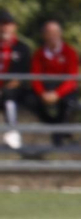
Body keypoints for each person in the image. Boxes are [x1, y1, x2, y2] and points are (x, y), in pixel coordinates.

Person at [29, 19, 81, 146]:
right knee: (30, 100)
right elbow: (34, 77)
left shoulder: (70, 52)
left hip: (63, 89)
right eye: (49, 32)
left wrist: (57, 94)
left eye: (55, 32)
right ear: (44, 35)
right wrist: (42, 93)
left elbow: (72, 78)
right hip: (45, 88)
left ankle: (59, 135)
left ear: (60, 34)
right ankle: (55, 127)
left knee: (69, 102)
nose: (52, 36)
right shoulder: (39, 54)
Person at [1, 10, 32, 150]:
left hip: (14, 92)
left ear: (14, 27)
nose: (5, 27)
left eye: (8, 24)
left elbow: (24, 74)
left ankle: (12, 130)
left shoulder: (22, 48)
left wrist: (15, 83)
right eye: (2, 24)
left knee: (9, 95)